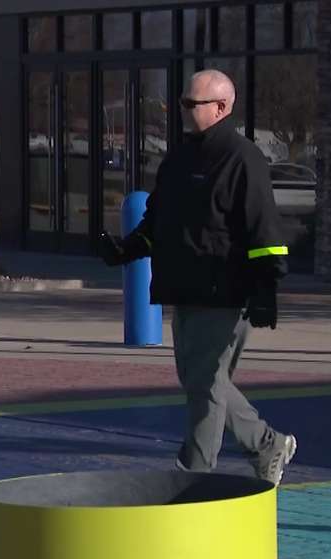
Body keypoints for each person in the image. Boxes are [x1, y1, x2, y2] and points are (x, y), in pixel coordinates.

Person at [99, 69, 297, 485]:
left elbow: (265, 232)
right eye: (183, 104)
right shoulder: (180, 158)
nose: (184, 111)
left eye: (193, 104)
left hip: (225, 290)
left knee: (205, 385)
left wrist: (265, 290)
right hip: (184, 287)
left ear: (222, 107)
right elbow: (158, 220)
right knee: (200, 379)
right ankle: (266, 443)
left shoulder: (243, 159)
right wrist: (126, 249)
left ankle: (193, 474)